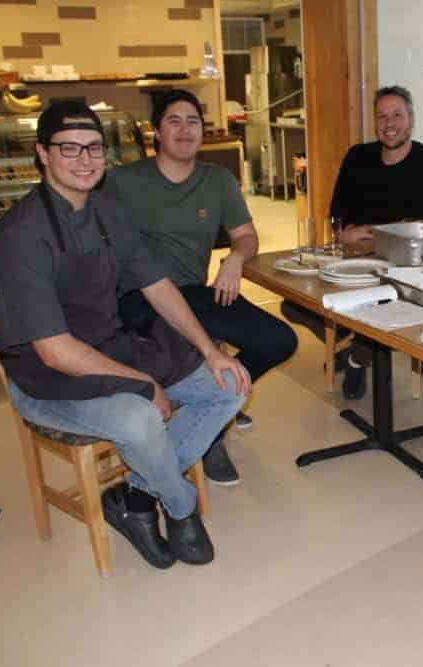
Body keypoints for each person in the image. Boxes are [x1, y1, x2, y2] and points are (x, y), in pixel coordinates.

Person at [0, 101, 251, 569]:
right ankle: (182, 507)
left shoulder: (108, 209)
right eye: (70, 148)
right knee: (139, 419)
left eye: (93, 148)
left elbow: (155, 283)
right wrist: (143, 384)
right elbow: (54, 350)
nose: (85, 159)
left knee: (229, 385)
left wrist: (211, 352)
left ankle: (136, 500)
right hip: (46, 377)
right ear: (43, 154)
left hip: (108, 346)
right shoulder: (19, 236)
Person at [108, 89, 298, 486]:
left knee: (279, 340)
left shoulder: (217, 180)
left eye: (192, 121)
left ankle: (216, 407)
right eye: (173, 121)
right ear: (156, 132)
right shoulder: (122, 181)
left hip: (195, 294)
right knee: (187, 348)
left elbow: (246, 236)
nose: (184, 129)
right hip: (138, 299)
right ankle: (211, 430)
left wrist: (234, 258)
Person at [281, 85, 423, 400]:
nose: (389, 123)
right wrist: (350, 233)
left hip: (401, 265)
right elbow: (338, 219)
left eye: (397, 115)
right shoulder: (358, 156)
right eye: (381, 116)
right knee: (294, 302)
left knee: (388, 304)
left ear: (410, 119)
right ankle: (351, 340)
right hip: (352, 259)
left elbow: (415, 227)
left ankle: (357, 357)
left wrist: (366, 230)